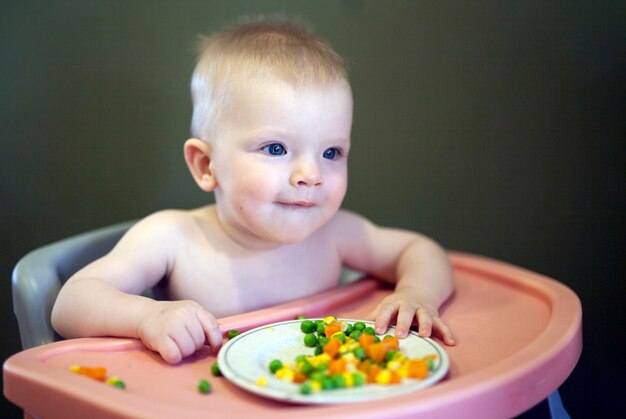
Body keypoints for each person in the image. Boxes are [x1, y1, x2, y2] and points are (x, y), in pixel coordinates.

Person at [51, 16, 456, 364]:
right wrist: (147, 318)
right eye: (276, 148)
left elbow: (419, 250)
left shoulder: (333, 234)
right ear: (206, 166)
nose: (311, 175)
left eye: (332, 152)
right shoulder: (172, 238)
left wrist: (417, 292)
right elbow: (72, 302)